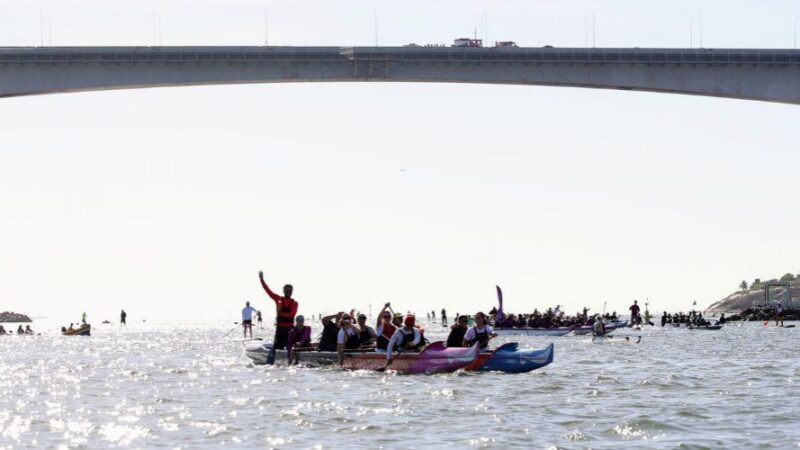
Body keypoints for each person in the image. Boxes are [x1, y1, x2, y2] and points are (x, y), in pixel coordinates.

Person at [258, 271, 298, 350]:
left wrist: (281, 314)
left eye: (290, 290)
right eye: (286, 290)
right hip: (280, 329)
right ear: (283, 291)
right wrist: (261, 279)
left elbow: (292, 314)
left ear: (292, 292)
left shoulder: (295, 303)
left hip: (290, 329)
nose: (288, 292)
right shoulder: (278, 299)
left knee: (289, 347)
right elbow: (268, 290)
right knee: (278, 347)